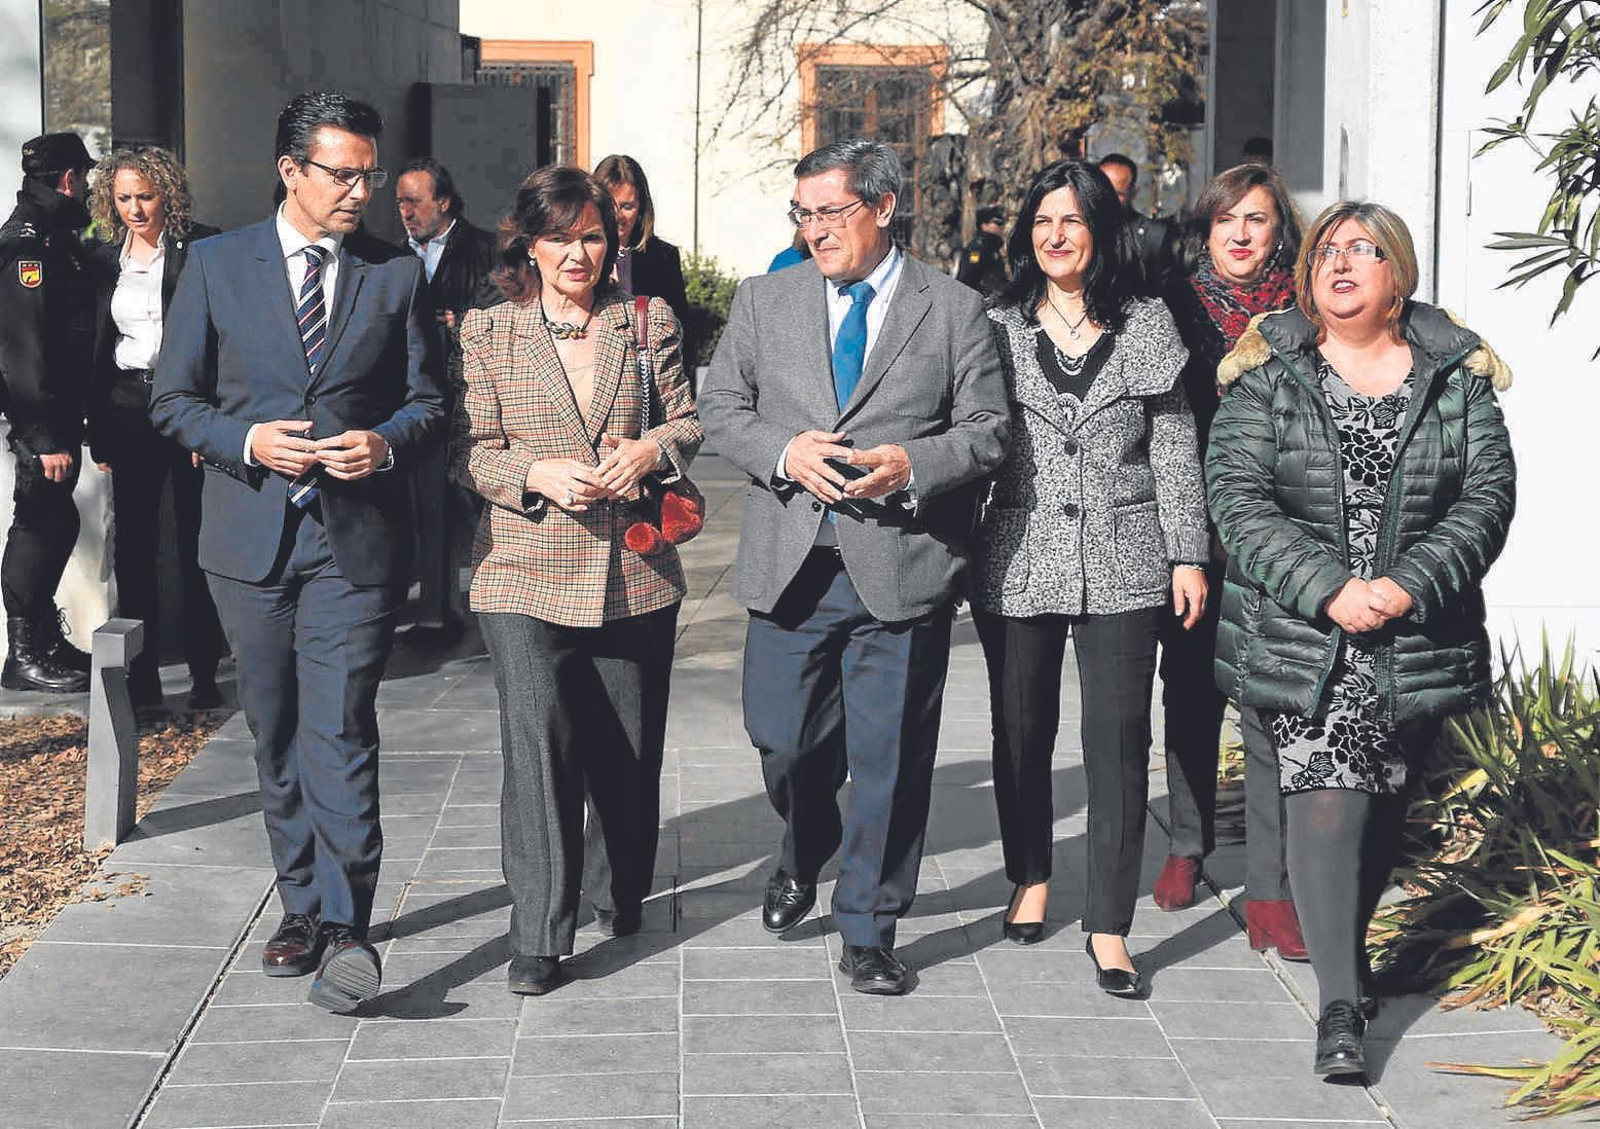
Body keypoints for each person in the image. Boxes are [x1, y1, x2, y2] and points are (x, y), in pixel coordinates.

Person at [150, 92, 447, 1013]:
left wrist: (384, 443)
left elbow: (431, 402)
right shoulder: (213, 264)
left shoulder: (392, 275)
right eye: (344, 174)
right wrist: (245, 442)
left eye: (369, 173)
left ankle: (350, 924)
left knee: (343, 727)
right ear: (291, 171)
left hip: (353, 544)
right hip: (247, 536)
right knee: (274, 731)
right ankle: (302, 905)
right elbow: (172, 400)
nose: (363, 190)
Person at [1207, 201, 1515, 1076]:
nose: (1341, 264)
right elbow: (1235, 495)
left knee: (1380, 813)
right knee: (1326, 799)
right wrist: (1329, 588)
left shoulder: (1455, 375)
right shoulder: (1269, 371)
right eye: (1327, 251)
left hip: (1411, 637)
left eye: (1364, 251)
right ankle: (1340, 1008)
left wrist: (1406, 584)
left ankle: (1350, 958)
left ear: (1399, 275)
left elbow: (1486, 498)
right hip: (1308, 636)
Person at [700, 138, 1008, 996]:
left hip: (903, 563)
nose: (813, 231)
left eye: (829, 212)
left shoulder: (952, 309)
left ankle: (870, 925)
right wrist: (782, 450)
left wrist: (912, 464)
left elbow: (988, 431)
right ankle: (804, 846)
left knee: (893, 756)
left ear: (881, 207)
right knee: (785, 738)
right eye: (801, 214)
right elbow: (719, 406)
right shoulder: (766, 299)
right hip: (791, 562)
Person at [452, 166, 702, 996]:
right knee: (538, 745)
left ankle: (615, 885)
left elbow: (686, 418)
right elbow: (473, 448)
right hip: (522, 568)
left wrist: (651, 449)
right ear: (527, 241)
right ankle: (539, 930)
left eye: (593, 235)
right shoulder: (491, 332)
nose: (578, 253)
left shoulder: (646, 320)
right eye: (560, 236)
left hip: (633, 566)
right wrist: (537, 473)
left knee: (626, 755)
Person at [970, 159, 1207, 998]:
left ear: (1102, 232)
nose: (1055, 236)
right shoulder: (992, 325)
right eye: (1042, 222)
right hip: (1020, 548)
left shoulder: (1147, 323)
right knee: (1020, 730)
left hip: (1128, 554)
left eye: (1072, 221)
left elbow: (1175, 445)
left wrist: (1188, 552)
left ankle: (1109, 923)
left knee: (1116, 741)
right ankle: (1030, 873)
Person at [1150, 163, 1305, 961]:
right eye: (1227, 221)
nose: (1242, 235)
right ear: (1204, 230)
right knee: (1190, 694)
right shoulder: (1171, 308)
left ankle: (1273, 887)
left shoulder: (1308, 310)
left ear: (1281, 231)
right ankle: (1188, 840)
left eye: (1258, 220)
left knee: (1270, 703)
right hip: (1192, 537)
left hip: (1283, 539)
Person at [85, 146, 225, 709]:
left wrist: (211, 422)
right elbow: (90, 346)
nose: (136, 209)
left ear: (167, 192)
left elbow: (219, 339)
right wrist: (96, 429)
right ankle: (140, 681)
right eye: (124, 199)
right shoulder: (99, 257)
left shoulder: (202, 247)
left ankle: (205, 674)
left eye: (145, 196)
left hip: (187, 406)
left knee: (197, 542)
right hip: (126, 407)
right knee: (135, 549)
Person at [0, 132, 98, 693]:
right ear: (67, 180)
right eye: (82, 179)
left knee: (58, 521)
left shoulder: (58, 235)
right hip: (43, 422)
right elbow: (23, 348)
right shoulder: (29, 246)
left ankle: (42, 638)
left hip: (58, 414)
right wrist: (42, 436)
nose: (84, 188)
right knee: (39, 523)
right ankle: (25, 655)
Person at [395, 156, 498, 648]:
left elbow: (495, 306)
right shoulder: (392, 256)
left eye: (414, 201)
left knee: (476, 504)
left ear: (443, 202)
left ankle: (494, 603)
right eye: (399, 202)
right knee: (427, 507)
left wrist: (462, 324)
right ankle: (437, 612)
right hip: (415, 399)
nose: (405, 211)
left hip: (471, 397)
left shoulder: (482, 249)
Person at [593, 155, 692, 362]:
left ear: (641, 208)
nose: (617, 216)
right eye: (609, 205)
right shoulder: (581, 254)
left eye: (627, 206)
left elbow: (682, 333)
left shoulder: (663, 257)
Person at [1098, 152, 1179, 297]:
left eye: (1117, 193)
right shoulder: (1076, 228)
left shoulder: (1154, 236)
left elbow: (1166, 294)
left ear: (1133, 193)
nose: (1107, 198)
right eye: (1101, 190)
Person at [955, 205, 1008, 296]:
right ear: (984, 225)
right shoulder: (977, 249)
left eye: (1003, 223)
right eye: (997, 223)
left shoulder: (993, 247)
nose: (1002, 227)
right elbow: (967, 275)